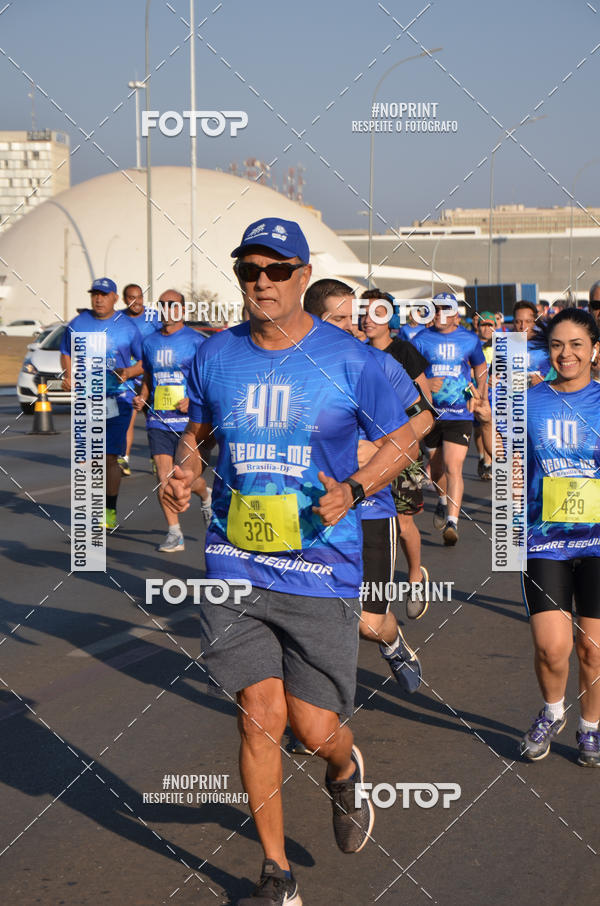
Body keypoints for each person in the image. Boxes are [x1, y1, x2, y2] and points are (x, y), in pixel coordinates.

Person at [163, 218, 418, 906]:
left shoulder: (350, 359)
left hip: (319, 566)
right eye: (250, 270)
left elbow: (402, 437)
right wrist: (184, 473)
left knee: (313, 729)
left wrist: (357, 489)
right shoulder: (216, 356)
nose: (262, 282)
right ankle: (275, 871)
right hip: (234, 559)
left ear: (304, 275)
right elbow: (195, 431)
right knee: (257, 714)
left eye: (277, 270)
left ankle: (343, 770)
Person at [304, 278, 433, 697]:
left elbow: (425, 417)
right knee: (313, 615)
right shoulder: (293, 365)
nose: (353, 326)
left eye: (353, 316)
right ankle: (316, 713)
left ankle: (393, 643)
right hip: (312, 510)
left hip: (371, 508)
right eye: (338, 319)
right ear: (312, 320)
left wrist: (380, 449)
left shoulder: (376, 363)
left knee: (367, 622)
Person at [520, 308, 600, 766]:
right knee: (552, 648)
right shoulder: (529, 400)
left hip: (598, 542)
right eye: (556, 345)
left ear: (594, 350)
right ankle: (553, 711)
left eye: (575, 345)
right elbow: (511, 466)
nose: (565, 354)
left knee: (592, 650)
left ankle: (590, 726)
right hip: (543, 538)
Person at [359, 288, 434, 613]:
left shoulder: (404, 351)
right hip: (366, 453)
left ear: (389, 317)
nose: (367, 319)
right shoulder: (356, 352)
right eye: (364, 312)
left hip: (403, 451)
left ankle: (416, 576)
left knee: (403, 525)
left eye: (376, 312)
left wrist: (413, 445)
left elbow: (426, 406)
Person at [60, 278, 142, 529]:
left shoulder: (127, 327)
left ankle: (109, 509)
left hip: (118, 399)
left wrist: (127, 372)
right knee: (86, 457)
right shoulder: (78, 323)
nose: (98, 299)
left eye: (104, 295)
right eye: (95, 294)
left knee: (108, 458)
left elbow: (142, 362)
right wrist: (67, 373)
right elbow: (65, 352)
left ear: (115, 298)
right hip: (87, 399)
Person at [133, 290, 210, 552]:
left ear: (182, 310)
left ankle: (205, 494)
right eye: (163, 305)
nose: (167, 309)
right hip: (158, 419)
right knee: (164, 478)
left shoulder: (196, 342)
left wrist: (193, 399)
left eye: (173, 305)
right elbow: (148, 374)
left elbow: (206, 379)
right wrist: (143, 396)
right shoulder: (150, 341)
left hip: (188, 423)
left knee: (186, 477)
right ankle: (174, 533)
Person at [413, 293, 487, 545]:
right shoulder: (422, 339)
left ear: (456, 314)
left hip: (459, 413)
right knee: (435, 470)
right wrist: (424, 384)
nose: (439, 314)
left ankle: (453, 523)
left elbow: (480, 366)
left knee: (453, 466)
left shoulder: (468, 339)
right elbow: (411, 372)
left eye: (445, 310)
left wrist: (481, 392)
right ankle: (443, 502)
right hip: (431, 413)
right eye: (436, 309)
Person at [119, 283, 161, 476]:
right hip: (128, 376)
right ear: (124, 299)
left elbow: (165, 337)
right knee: (128, 417)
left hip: (151, 375)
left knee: (153, 420)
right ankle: (124, 459)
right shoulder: (118, 319)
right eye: (131, 298)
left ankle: (156, 457)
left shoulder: (154, 318)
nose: (136, 302)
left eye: (139, 297)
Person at [512, 300, 554, 386]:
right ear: (513, 323)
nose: (523, 326)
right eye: (518, 321)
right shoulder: (504, 345)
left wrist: (545, 379)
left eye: (528, 321)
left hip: (542, 396)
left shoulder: (548, 343)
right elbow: (494, 376)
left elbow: (562, 373)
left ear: (535, 322)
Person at [474, 311, 495, 480]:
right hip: (476, 393)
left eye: (490, 325)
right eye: (483, 325)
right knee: (478, 430)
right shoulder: (471, 344)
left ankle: (489, 463)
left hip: (496, 395)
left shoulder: (502, 345)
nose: (487, 328)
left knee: (489, 426)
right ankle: (482, 457)